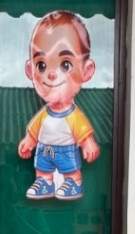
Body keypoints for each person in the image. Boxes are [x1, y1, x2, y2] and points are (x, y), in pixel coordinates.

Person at [18, 10, 101, 201]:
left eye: (65, 65)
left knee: (70, 169)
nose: (52, 74)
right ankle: (44, 182)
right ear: (31, 70)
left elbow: (83, 131)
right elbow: (34, 130)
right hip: (44, 150)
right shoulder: (43, 115)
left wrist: (88, 143)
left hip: (66, 151)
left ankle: (74, 182)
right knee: (42, 168)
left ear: (86, 71)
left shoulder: (73, 116)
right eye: (41, 65)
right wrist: (29, 142)